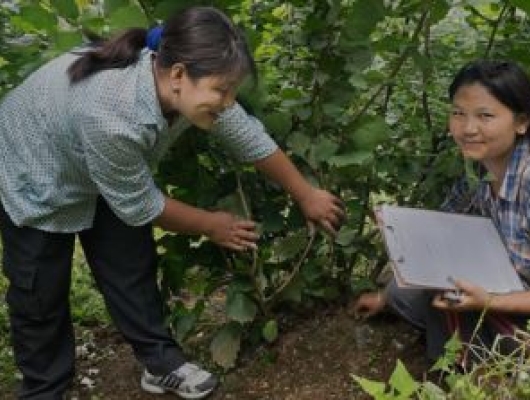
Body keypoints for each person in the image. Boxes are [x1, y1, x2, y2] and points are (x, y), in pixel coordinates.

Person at [0, 6, 345, 399]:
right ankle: (45, 389)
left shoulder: (193, 88)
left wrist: (306, 194)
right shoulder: (112, 114)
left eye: (233, 91)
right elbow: (141, 205)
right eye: (221, 91)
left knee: (131, 262)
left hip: (100, 163)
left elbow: (248, 136)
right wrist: (213, 225)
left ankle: (160, 362)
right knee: (39, 292)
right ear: (179, 75)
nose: (227, 102)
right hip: (34, 172)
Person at [354, 60, 530, 367]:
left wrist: (490, 302)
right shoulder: (480, 168)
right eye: (458, 113)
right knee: (401, 293)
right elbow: (442, 226)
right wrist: (398, 229)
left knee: (451, 309)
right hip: (503, 285)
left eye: (485, 116)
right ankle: (466, 354)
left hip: (515, 302)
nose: (468, 128)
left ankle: (469, 368)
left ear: (522, 122)